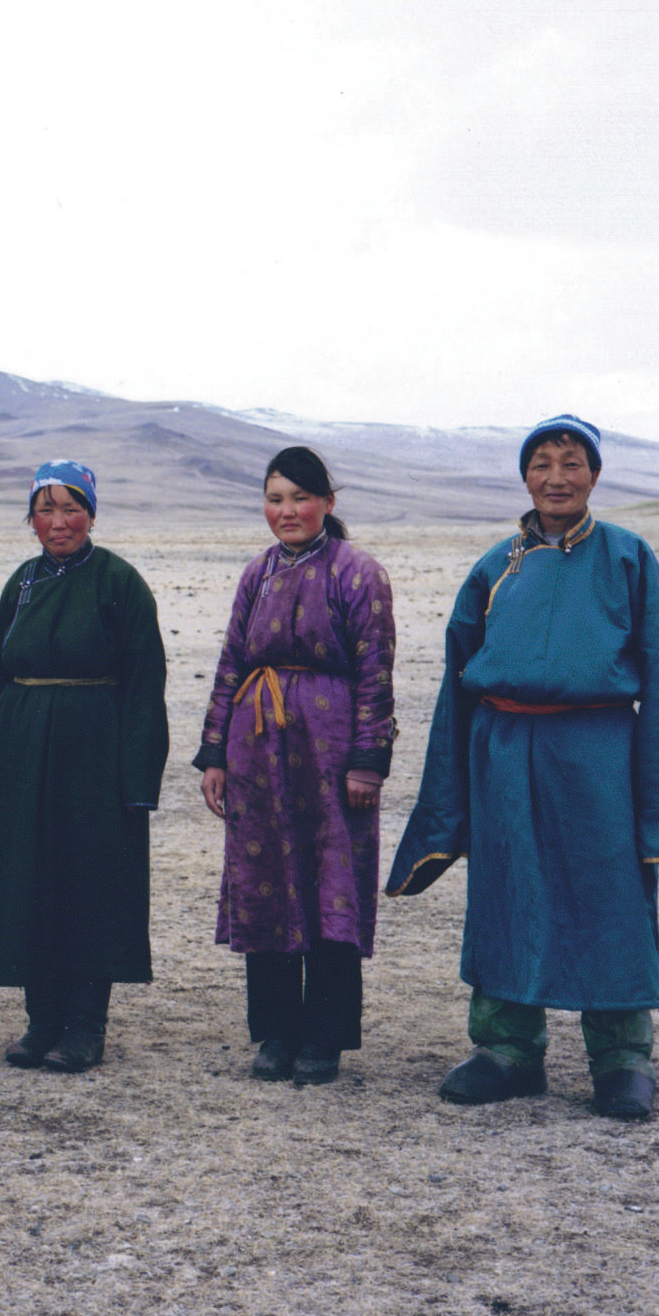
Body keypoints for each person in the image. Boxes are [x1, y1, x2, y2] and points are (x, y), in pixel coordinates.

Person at [386, 414, 659, 1120]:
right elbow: (457, 679)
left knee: (608, 892)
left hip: (596, 751)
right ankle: (507, 1051)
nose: (556, 477)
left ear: (594, 475)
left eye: (571, 462)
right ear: (524, 476)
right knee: (506, 888)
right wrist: (450, 788)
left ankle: (620, 1057)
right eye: (541, 463)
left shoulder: (627, 557)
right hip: (502, 748)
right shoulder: (495, 565)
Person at [195, 447, 396, 1085]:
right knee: (265, 881)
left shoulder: (358, 572)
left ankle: (324, 1039)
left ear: (327, 504)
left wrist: (368, 761)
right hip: (257, 749)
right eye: (275, 499)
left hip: (328, 750)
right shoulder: (257, 573)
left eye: (300, 498)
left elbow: (375, 672)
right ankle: (277, 1032)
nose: (287, 511)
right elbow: (232, 663)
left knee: (330, 882)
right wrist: (214, 754)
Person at [0, 461, 169, 1073]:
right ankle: (41, 1021)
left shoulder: (120, 582)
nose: (58, 522)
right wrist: (5, 746)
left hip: (94, 753)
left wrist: (138, 777)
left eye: (71, 508)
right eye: (45, 510)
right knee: (29, 878)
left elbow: (145, 683)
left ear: (92, 515)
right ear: (30, 519)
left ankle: (85, 1027)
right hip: (25, 751)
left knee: (89, 881)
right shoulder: (21, 583)